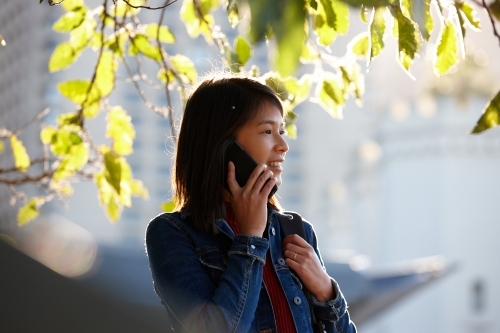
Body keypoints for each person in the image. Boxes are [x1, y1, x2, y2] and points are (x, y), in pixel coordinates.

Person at [145, 74, 357, 333]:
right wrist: (250, 240)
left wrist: (326, 291)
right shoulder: (172, 234)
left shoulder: (297, 231)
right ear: (223, 145)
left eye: (282, 131)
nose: (283, 146)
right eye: (267, 131)